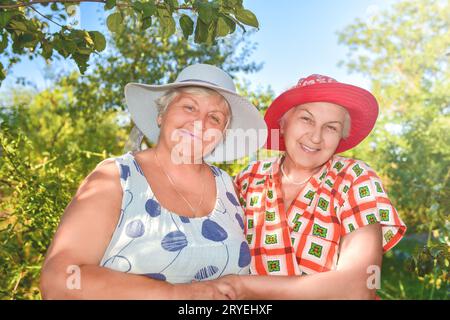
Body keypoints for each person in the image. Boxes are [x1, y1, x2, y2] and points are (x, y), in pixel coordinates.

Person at [39, 64, 267, 299]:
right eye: (189, 107)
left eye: (215, 118)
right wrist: (177, 295)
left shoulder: (228, 185)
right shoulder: (116, 177)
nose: (200, 123)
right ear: (162, 114)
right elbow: (59, 279)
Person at [221, 74, 407, 299]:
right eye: (306, 119)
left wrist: (240, 287)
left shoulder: (355, 178)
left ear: (341, 136)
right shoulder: (248, 179)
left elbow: (361, 285)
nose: (316, 137)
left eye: (331, 127)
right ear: (284, 122)